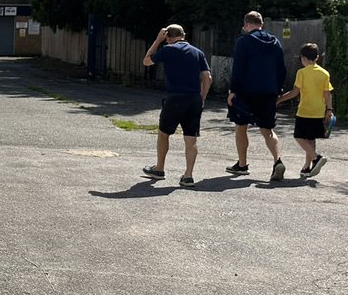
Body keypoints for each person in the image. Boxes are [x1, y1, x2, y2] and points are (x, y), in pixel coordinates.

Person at [141, 24, 212, 186]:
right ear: (184, 35)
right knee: (191, 139)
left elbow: (146, 61)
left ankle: (159, 169)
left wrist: (158, 40)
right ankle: (188, 175)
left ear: (167, 37)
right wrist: (202, 97)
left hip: (175, 98)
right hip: (194, 99)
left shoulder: (168, 50)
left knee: (164, 133)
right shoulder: (198, 52)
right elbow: (208, 78)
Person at [226, 11, 289, 181]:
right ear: (262, 24)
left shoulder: (243, 41)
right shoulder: (275, 42)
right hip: (269, 91)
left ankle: (242, 164)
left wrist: (233, 90)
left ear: (246, 25)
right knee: (267, 129)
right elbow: (281, 69)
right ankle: (277, 161)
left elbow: (238, 67)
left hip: (247, 91)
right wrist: (278, 90)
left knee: (241, 126)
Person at [276, 42, 334, 178]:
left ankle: (316, 157)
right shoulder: (324, 73)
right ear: (317, 57)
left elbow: (295, 92)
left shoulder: (301, 72)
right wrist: (329, 109)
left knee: (299, 136)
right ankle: (307, 167)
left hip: (305, 110)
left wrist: (279, 99)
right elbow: (327, 93)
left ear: (303, 58)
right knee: (311, 138)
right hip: (319, 111)